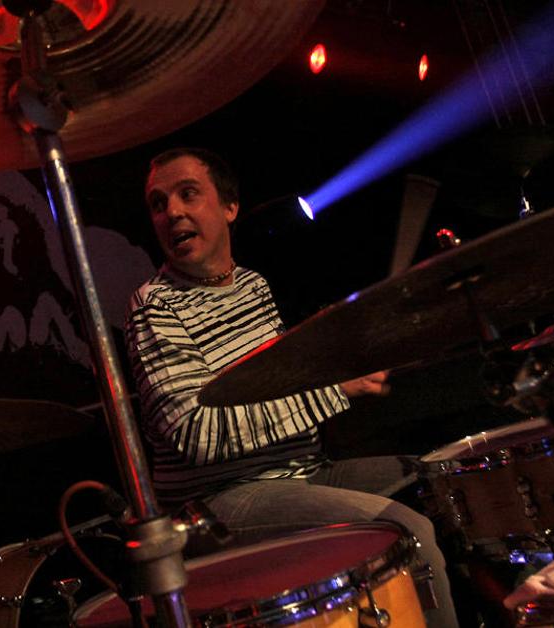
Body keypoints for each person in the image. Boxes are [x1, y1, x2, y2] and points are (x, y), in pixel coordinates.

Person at [124, 147, 460, 627]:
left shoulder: (252, 285)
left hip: (304, 472)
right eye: (158, 204)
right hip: (220, 501)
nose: (172, 212)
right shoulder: (154, 306)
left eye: (188, 194)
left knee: (442, 484)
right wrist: (334, 391)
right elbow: (195, 435)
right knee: (409, 527)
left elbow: (279, 388)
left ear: (229, 206)